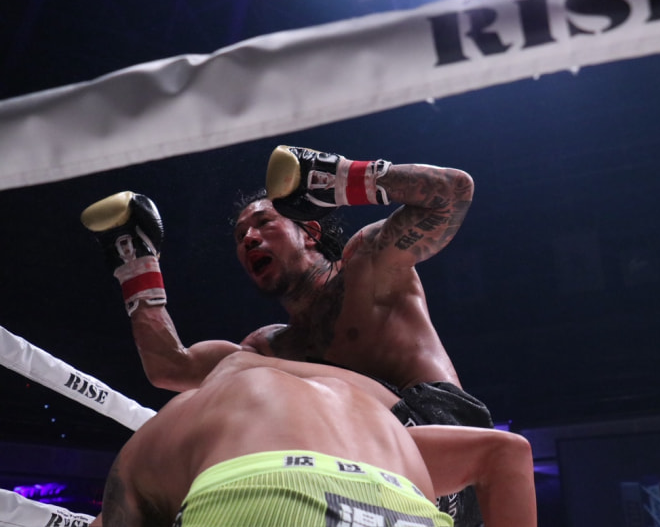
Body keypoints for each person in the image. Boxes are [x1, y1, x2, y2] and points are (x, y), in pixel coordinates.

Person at [82, 145, 493, 525]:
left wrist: (334, 179)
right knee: (237, 381)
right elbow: (169, 366)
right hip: (357, 469)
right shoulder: (270, 346)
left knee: (242, 368)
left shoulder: (368, 267)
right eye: (240, 236)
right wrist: (136, 266)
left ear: (309, 231)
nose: (249, 238)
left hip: (443, 439)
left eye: (264, 223)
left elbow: (452, 192)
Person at [88, 351, 537, 527]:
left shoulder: (195, 408)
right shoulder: (365, 413)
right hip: (403, 500)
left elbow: (168, 364)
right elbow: (508, 451)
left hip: (261, 496)